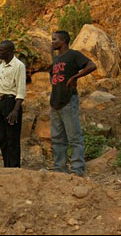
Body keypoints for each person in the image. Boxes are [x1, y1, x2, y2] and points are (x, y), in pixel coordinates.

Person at [50, 30, 97, 176]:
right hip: (55, 102)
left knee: (74, 137)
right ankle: (60, 170)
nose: (52, 42)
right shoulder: (56, 59)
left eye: (54, 39)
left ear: (63, 41)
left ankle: (77, 170)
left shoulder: (73, 55)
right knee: (57, 139)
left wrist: (75, 77)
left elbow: (91, 65)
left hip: (68, 101)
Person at [0, 40, 26, 168]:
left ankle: (14, 167)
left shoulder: (19, 66)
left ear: (10, 51)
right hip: (1, 103)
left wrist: (15, 110)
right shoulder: (1, 65)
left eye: (1, 50)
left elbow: (20, 90)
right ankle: (6, 166)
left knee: (13, 138)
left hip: (12, 103)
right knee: (3, 139)